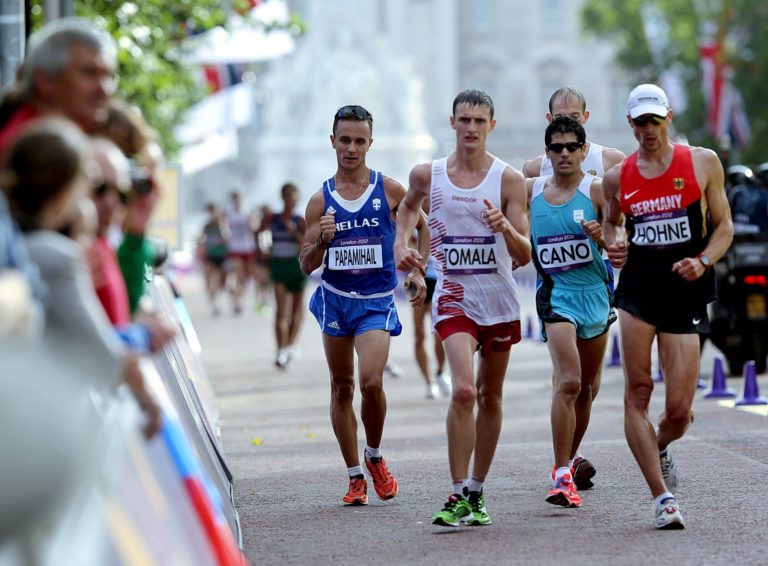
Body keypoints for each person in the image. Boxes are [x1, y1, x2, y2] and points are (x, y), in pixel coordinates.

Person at [395, 89, 531, 527]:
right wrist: (404, 248)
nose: (471, 128)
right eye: (464, 120)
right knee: (463, 391)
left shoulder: (508, 180)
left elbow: (525, 253)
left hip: (499, 300)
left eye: (479, 121)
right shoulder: (428, 175)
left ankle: (477, 490)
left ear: (491, 125)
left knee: (490, 396)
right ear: (452, 123)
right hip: (453, 297)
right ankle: (456, 493)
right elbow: (407, 208)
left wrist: (505, 227)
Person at [602, 84, 734, 529]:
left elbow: (724, 229)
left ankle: (658, 444)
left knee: (679, 410)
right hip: (639, 292)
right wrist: (614, 244)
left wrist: (702, 261)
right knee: (637, 393)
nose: (647, 130)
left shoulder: (701, 162)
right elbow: (611, 224)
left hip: (685, 292)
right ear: (630, 125)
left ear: (669, 117)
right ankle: (662, 497)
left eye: (654, 120)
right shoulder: (619, 176)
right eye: (639, 122)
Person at [300, 104, 428, 507]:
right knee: (342, 387)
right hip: (335, 302)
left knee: (371, 382)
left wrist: (417, 270)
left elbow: (423, 227)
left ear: (370, 143)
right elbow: (306, 265)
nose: (351, 148)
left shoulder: (388, 190)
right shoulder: (319, 201)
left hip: (375, 302)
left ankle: (374, 454)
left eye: (359, 141)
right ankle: (355, 475)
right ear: (332, 141)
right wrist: (321, 241)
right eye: (345, 140)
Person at [2, 117, 161, 438]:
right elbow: (104, 351)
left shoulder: (93, 245)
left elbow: (131, 297)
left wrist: (137, 235)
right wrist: (141, 337)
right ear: (69, 190)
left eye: (121, 192)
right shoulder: (62, 252)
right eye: (97, 188)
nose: (110, 201)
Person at [527, 116, 615, 508]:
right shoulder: (531, 192)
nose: (564, 154)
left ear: (583, 150)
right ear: (547, 153)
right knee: (568, 381)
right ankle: (561, 474)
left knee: (588, 388)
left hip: (595, 294)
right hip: (557, 295)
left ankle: (570, 456)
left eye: (571, 147)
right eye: (556, 147)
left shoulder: (596, 190)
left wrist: (605, 237)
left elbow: (621, 243)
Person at [0, 17, 116, 159]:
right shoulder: (33, 153)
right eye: (90, 73)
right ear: (45, 80)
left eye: (109, 76)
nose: (104, 89)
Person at [523, 87, 626, 179]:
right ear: (550, 119)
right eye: (560, 117)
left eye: (574, 117)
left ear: (585, 117)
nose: (568, 123)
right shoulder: (534, 169)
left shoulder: (612, 161)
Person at [260, 183, 308, 368]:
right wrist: (263, 248)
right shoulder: (273, 218)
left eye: (293, 195)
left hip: (297, 269)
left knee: (296, 311)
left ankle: (290, 345)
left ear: (298, 198)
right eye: (287, 195)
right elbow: (260, 233)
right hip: (279, 268)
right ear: (282, 197)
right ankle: (280, 349)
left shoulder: (300, 220)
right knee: (281, 311)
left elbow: (306, 246)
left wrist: (294, 233)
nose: (290, 199)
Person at [411, 254, 450, 399]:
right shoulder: (413, 229)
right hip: (418, 278)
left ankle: (440, 372)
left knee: (440, 334)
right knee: (419, 335)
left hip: (438, 279)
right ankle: (429, 382)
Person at [223, 191, 256, 315]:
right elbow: (224, 227)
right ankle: (238, 301)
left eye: (238, 199)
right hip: (235, 247)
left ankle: (238, 295)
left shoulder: (247, 211)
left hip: (248, 247)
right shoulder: (228, 212)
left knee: (248, 276)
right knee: (239, 274)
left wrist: (252, 221)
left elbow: (254, 227)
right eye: (234, 199)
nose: (236, 201)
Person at [198, 202, 228, 316]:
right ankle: (213, 305)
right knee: (210, 281)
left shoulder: (223, 224)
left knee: (222, 282)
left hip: (222, 256)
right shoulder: (207, 226)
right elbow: (202, 239)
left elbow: (226, 238)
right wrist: (202, 248)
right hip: (210, 256)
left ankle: (215, 299)